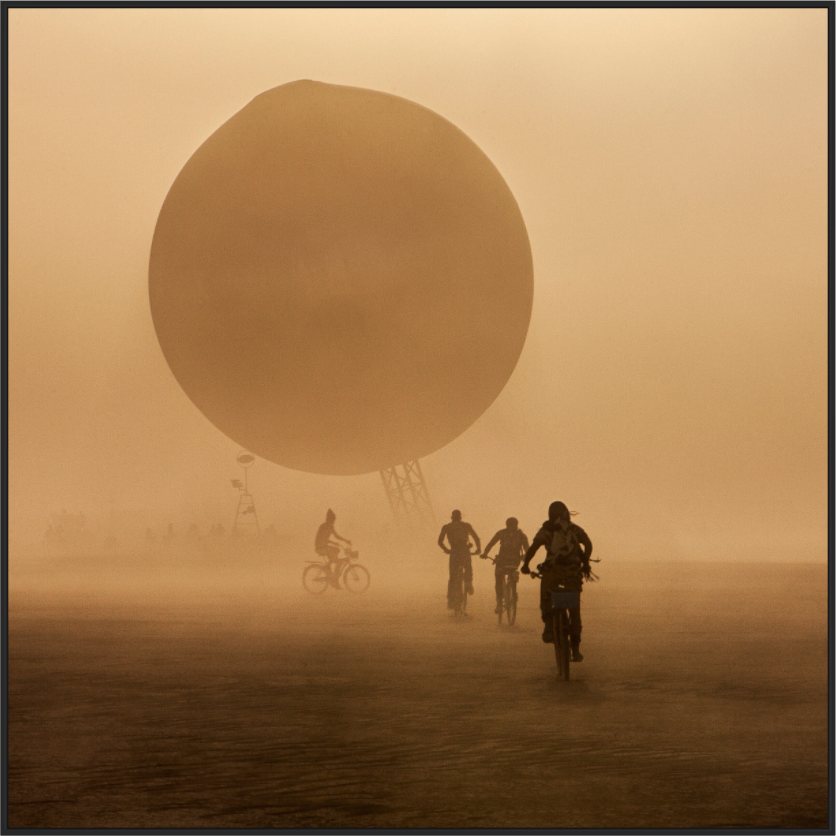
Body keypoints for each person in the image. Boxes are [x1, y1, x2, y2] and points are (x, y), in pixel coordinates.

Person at [521, 501, 594, 661]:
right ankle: (575, 649)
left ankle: (548, 626)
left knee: (546, 595)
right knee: (574, 609)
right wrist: (586, 562)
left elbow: (533, 548)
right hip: (573, 571)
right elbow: (587, 543)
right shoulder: (574, 529)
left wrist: (525, 565)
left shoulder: (547, 530)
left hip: (552, 570)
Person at [481, 517, 530, 614]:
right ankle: (513, 590)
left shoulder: (501, 533)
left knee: (498, 579)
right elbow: (528, 549)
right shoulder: (521, 535)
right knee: (513, 574)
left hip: (502, 561)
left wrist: (485, 554)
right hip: (515, 562)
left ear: (506, 524)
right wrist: (524, 557)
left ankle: (499, 604)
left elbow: (491, 544)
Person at [437, 510, 481, 611]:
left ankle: (451, 600)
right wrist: (478, 549)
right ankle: (469, 582)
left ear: (451, 517)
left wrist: (446, 550)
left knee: (452, 577)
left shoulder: (447, 527)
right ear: (460, 517)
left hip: (454, 553)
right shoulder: (466, 526)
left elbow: (440, 541)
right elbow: (476, 537)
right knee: (468, 567)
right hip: (465, 551)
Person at [315, 509, 351, 586]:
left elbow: (335, 536)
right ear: (330, 519)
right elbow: (322, 539)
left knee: (337, 550)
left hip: (323, 546)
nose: (334, 522)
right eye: (333, 520)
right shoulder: (324, 526)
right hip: (320, 548)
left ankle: (331, 574)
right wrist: (345, 541)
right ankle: (334, 580)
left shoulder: (330, 526)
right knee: (338, 562)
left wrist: (342, 541)